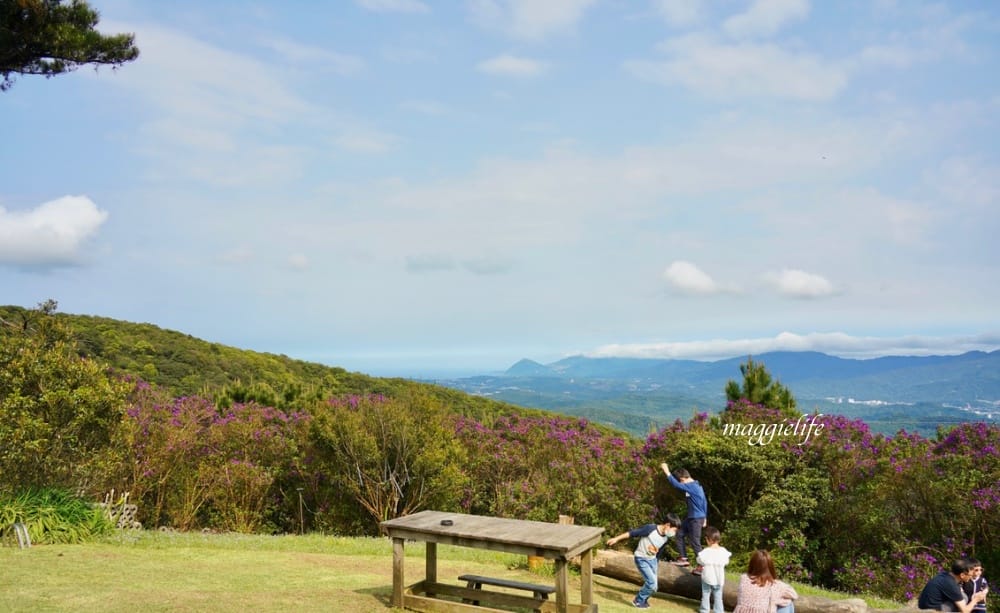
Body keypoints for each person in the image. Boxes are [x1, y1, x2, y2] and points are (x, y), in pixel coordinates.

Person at [606, 513, 682, 609]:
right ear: (667, 525)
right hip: (641, 558)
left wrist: (655, 564)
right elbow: (632, 533)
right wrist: (616, 539)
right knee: (652, 583)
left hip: (652, 560)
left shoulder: (665, 538)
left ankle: (643, 600)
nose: (674, 533)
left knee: (654, 587)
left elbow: (659, 552)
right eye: (674, 530)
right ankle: (638, 601)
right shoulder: (650, 529)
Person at [660, 462, 708, 570]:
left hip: (696, 518)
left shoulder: (692, 486)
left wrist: (666, 471)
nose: (681, 483)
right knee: (679, 533)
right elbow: (705, 501)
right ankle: (683, 559)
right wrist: (705, 517)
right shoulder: (696, 485)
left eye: (680, 481)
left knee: (695, 541)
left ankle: (702, 566)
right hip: (692, 517)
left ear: (682, 478)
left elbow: (676, 485)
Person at [732, 549, 798, 613]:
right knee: (789, 603)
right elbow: (794, 595)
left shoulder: (743, 578)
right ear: (770, 566)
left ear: (752, 564)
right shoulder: (774, 585)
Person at [918, 559, 989, 612]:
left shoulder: (945, 575)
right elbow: (965, 611)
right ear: (962, 575)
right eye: (970, 575)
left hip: (924, 605)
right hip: (931, 610)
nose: (971, 577)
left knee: (963, 597)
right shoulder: (951, 585)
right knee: (963, 600)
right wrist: (976, 600)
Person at [697, 526, 732, 613]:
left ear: (707, 539)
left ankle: (704, 610)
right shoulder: (723, 551)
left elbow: (699, 560)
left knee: (706, 594)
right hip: (719, 578)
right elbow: (726, 562)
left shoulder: (706, 551)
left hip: (707, 577)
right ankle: (719, 611)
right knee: (718, 596)